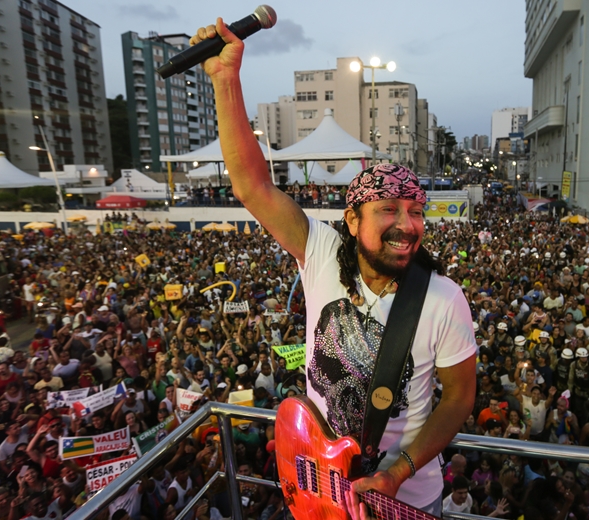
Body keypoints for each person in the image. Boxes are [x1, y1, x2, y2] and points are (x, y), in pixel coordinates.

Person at [190, 19, 477, 519]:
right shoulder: (321, 251)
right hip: (319, 483)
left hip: (402, 496)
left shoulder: (443, 297)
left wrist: (400, 470)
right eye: (389, 209)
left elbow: (457, 398)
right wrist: (225, 81)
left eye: (416, 211)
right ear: (351, 219)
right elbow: (253, 187)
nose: (407, 225)